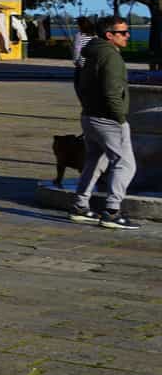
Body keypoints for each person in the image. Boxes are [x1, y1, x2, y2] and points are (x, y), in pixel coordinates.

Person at [69, 17, 138, 229]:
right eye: (123, 32)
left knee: (95, 162)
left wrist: (88, 106)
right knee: (125, 164)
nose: (127, 35)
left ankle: (80, 207)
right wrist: (120, 117)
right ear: (110, 35)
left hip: (89, 115)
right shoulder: (110, 56)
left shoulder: (88, 53)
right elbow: (112, 92)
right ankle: (111, 211)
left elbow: (77, 82)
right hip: (108, 119)